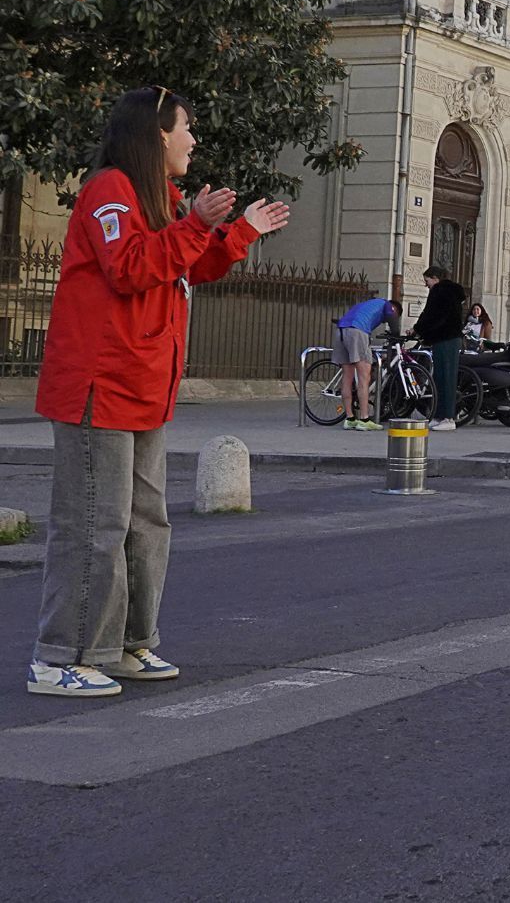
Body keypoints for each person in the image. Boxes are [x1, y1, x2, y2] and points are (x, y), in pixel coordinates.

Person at [28, 86, 290, 698]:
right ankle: (59, 655)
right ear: (156, 134)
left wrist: (239, 232)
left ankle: (123, 644)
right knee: (93, 522)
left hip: (144, 386)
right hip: (100, 385)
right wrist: (196, 224)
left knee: (147, 523)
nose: (193, 139)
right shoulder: (107, 192)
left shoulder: (162, 198)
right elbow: (129, 267)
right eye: (185, 128)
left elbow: (186, 264)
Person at [410, 264, 465, 432]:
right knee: (442, 378)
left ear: (435, 278)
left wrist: (417, 329)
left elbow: (430, 314)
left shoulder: (440, 290)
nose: (426, 285)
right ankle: (440, 416)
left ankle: (448, 417)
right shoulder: (452, 292)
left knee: (445, 378)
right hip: (449, 338)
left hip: (445, 338)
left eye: (427, 281)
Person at [335, 293, 402, 430]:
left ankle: (349, 418)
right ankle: (364, 419)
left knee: (347, 377)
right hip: (357, 331)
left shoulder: (369, 304)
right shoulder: (387, 305)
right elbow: (394, 325)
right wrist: (397, 336)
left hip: (341, 330)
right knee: (364, 377)